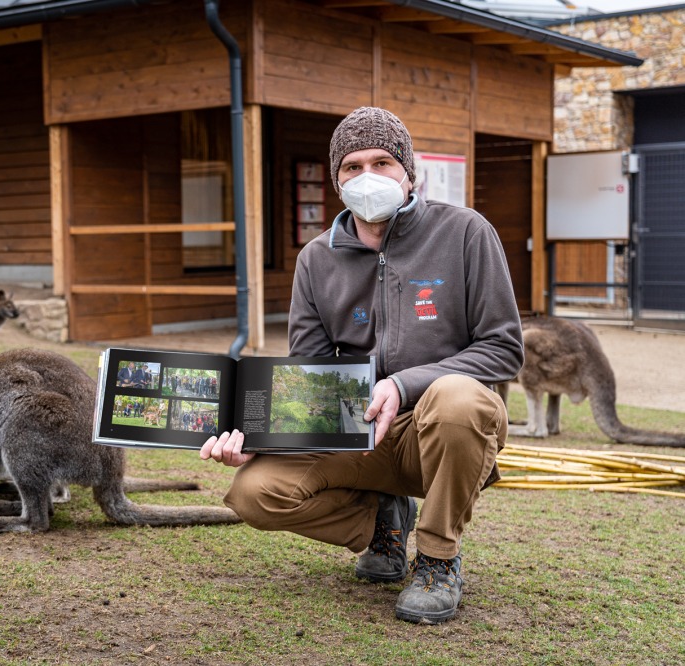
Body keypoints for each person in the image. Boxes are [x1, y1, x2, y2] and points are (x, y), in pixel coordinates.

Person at [200, 106, 523, 625]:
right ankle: (383, 526)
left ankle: (438, 561)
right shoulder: (316, 259)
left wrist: (403, 382)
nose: (367, 177)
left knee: (457, 396)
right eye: (352, 166)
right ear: (336, 179)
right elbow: (307, 377)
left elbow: (503, 347)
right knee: (252, 493)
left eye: (382, 162)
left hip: (439, 431)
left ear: (408, 171)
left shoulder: (466, 233)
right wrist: (258, 438)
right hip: (357, 431)